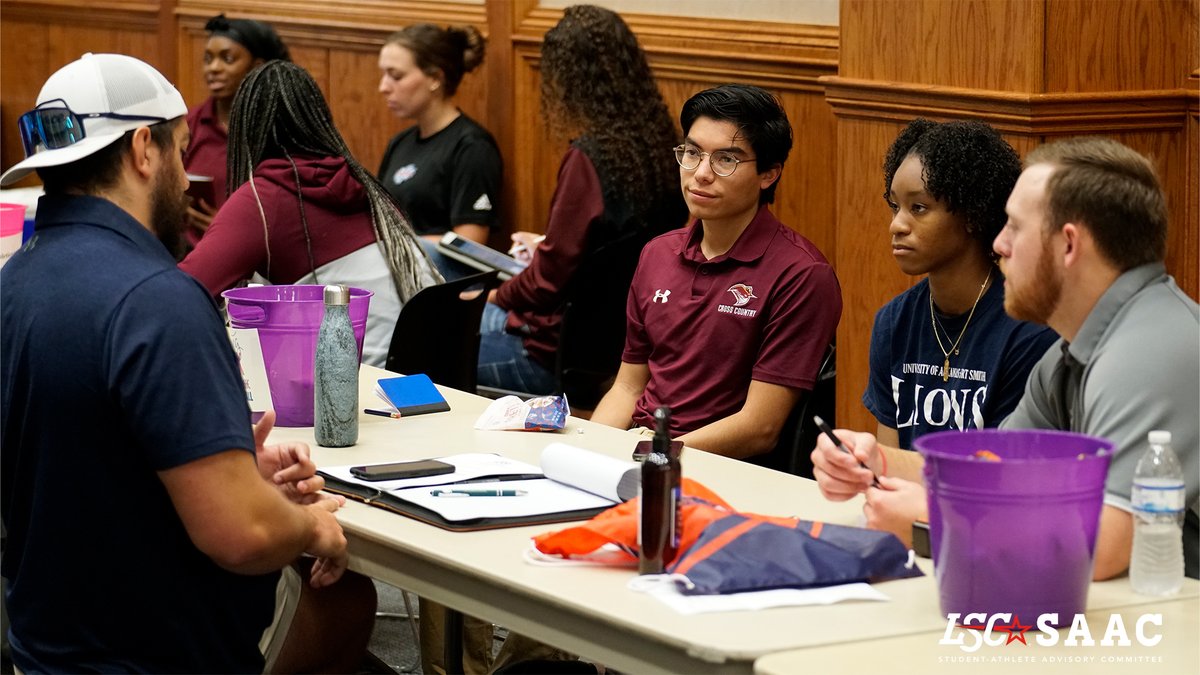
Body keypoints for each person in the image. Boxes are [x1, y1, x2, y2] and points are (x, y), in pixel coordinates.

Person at [0, 53, 375, 673]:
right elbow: (243, 535)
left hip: (45, 645)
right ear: (144, 149)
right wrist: (309, 528)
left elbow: (70, 452)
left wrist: (223, 459)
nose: (185, 176)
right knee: (340, 600)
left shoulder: (16, 281)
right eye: (180, 152)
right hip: (159, 651)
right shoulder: (157, 302)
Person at [813, 137, 1199, 581]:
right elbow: (992, 470)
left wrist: (936, 522)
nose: (998, 244)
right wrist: (874, 462)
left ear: (1068, 245)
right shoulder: (1069, 352)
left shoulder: (1150, 352)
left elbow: (1106, 548)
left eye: (1014, 227)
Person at [590, 84, 842, 460]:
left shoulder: (802, 274)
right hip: (641, 450)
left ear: (769, 174)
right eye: (692, 153)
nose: (701, 174)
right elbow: (628, 388)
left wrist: (648, 452)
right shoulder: (658, 253)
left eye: (726, 159)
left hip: (718, 468)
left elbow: (760, 428)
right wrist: (590, 449)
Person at [851, 119, 1059, 536]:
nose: (897, 224)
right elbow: (887, 468)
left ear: (971, 215)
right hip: (909, 525)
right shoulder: (894, 322)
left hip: (991, 532)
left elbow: (1007, 480)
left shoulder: (1028, 332)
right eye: (895, 206)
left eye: (919, 207)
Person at [477, 4, 688, 395]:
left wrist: (493, 295)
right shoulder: (661, 147)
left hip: (549, 357)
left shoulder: (589, 158)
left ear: (571, 82)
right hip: (617, 350)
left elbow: (546, 283)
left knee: (428, 336)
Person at [180, 60, 440, 368]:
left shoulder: (265, 199)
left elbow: (182, 295)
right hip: (426, 377)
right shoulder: (364, 182)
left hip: (354, 385)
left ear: (243, 131)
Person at [377, 23, 503, 280]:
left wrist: (401, 245)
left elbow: (469, 247)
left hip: (439, 285)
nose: (383, 87)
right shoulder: (400, 143)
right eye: (384, 74)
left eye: (396, 76)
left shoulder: (472, 147)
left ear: (435, 78)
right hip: (394, 274)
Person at [184, 13, 290, 242]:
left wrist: (231, 230)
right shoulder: (188, 125)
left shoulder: (281, 131)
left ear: (257, 67)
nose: (213, 68)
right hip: (188, 254)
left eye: (227, 59)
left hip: (259, 256)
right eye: (208, 58)